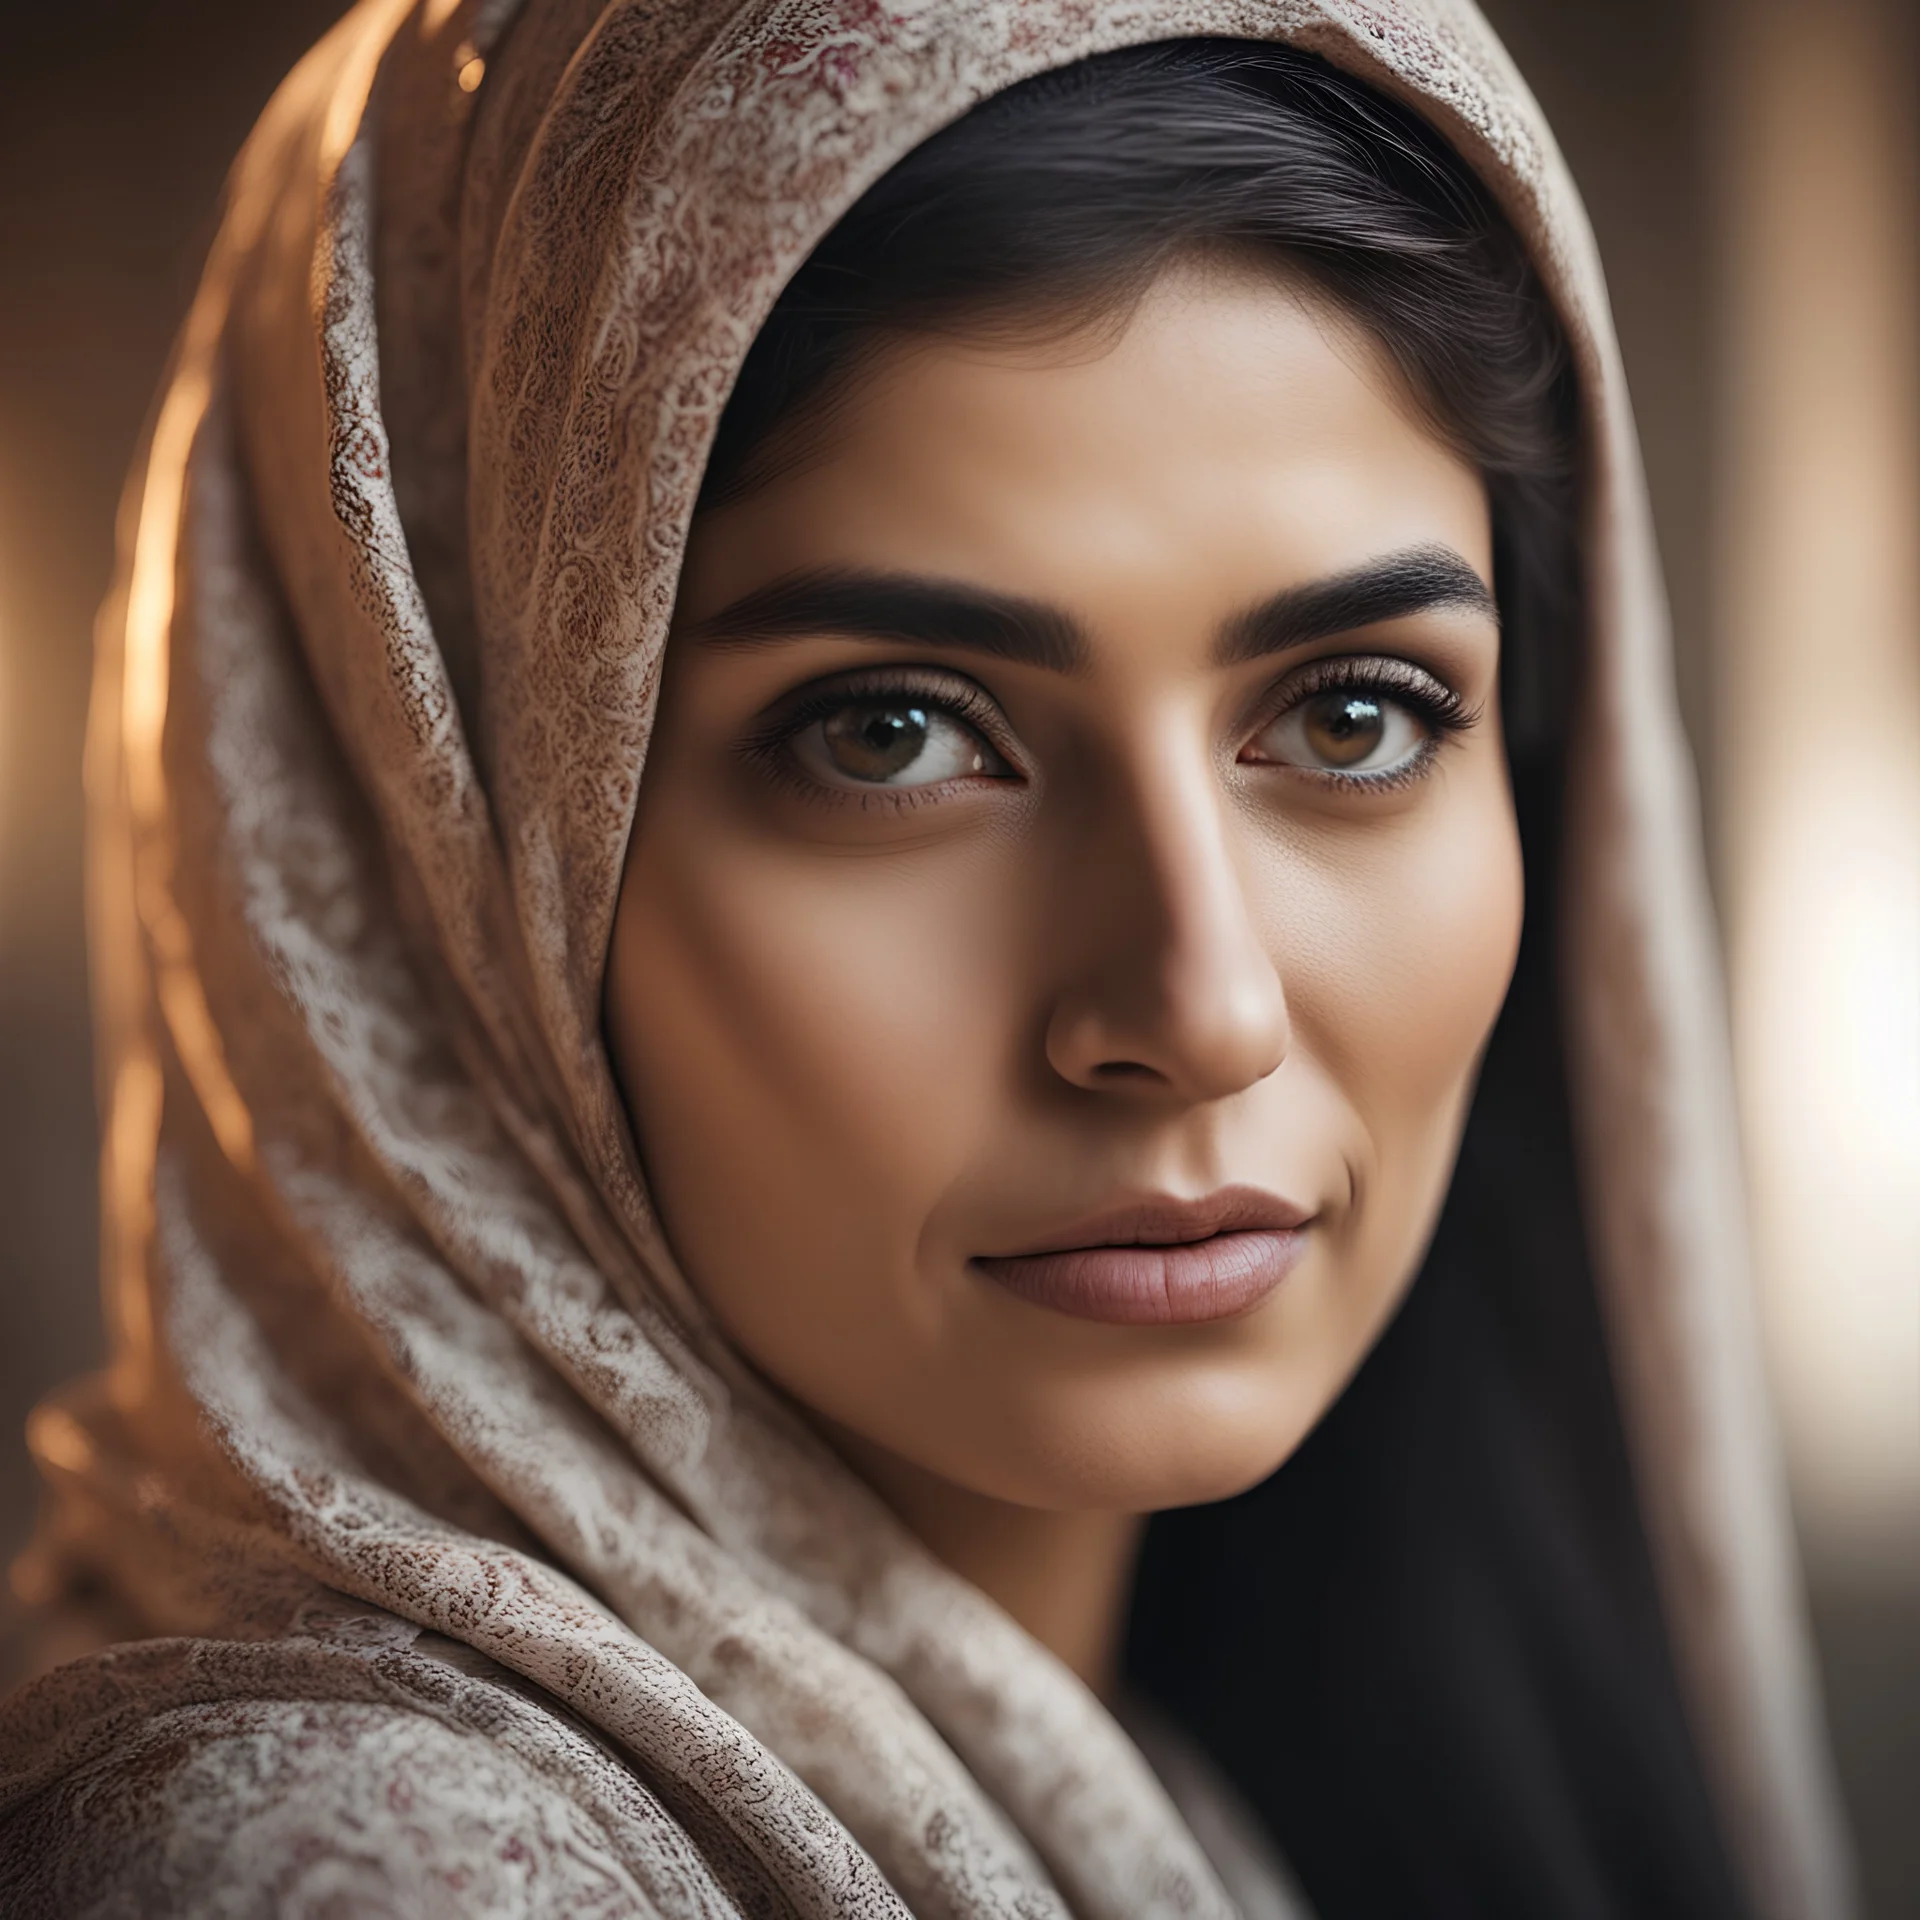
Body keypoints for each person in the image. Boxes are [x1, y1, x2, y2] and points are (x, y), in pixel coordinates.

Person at [0, 3, 1853, 1916]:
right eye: (891, 734)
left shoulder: (1260, 1787)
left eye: (1357, 718)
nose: (1200, 1008)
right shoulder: (360, 1872)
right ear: (437, 842)